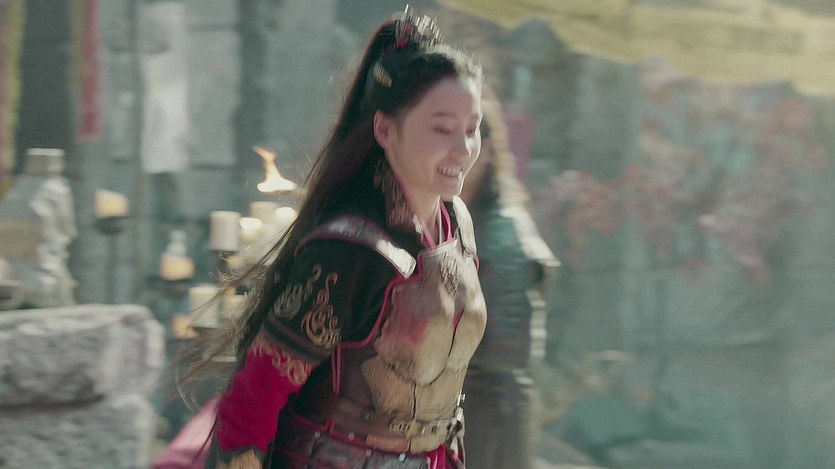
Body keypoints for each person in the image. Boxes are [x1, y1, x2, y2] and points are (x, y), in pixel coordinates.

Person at [178, 7, 487, 469]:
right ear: (385, 129)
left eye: (472, 129)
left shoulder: (457, 226)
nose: (463, 149)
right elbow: (255, 398)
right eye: (443, 129)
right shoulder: (349, 251)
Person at [459, 86, 558, 469]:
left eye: (468, 137)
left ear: (486, 151)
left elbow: (501, 353)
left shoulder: (502, 233)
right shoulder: (463, 220)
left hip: (487, 419)